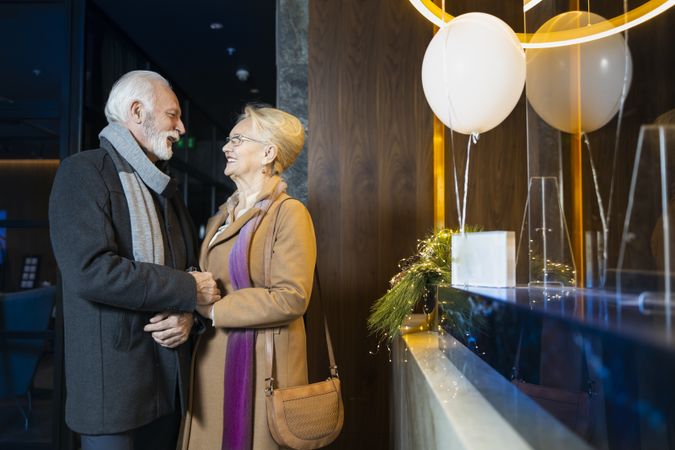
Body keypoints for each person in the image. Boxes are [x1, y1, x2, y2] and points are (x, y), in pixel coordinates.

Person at [49, 70, 220, 450]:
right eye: (172, 115)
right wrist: (188, 290)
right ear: (137, 111)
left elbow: (186, 269)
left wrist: (188, 317)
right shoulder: (82, 173)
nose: (181, 127)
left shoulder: (165, 188)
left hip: (169, 387)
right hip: (114, 396)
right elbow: (91, 272)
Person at [179, 105, 317, 450]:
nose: (226, 147)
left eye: (237, 140)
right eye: (229, 140)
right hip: (212, 362)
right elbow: (211, 277)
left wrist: (213, 310)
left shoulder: (290, 214)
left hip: (263, 370)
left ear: (268, 152)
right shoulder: (222, 215)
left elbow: (291, 297)